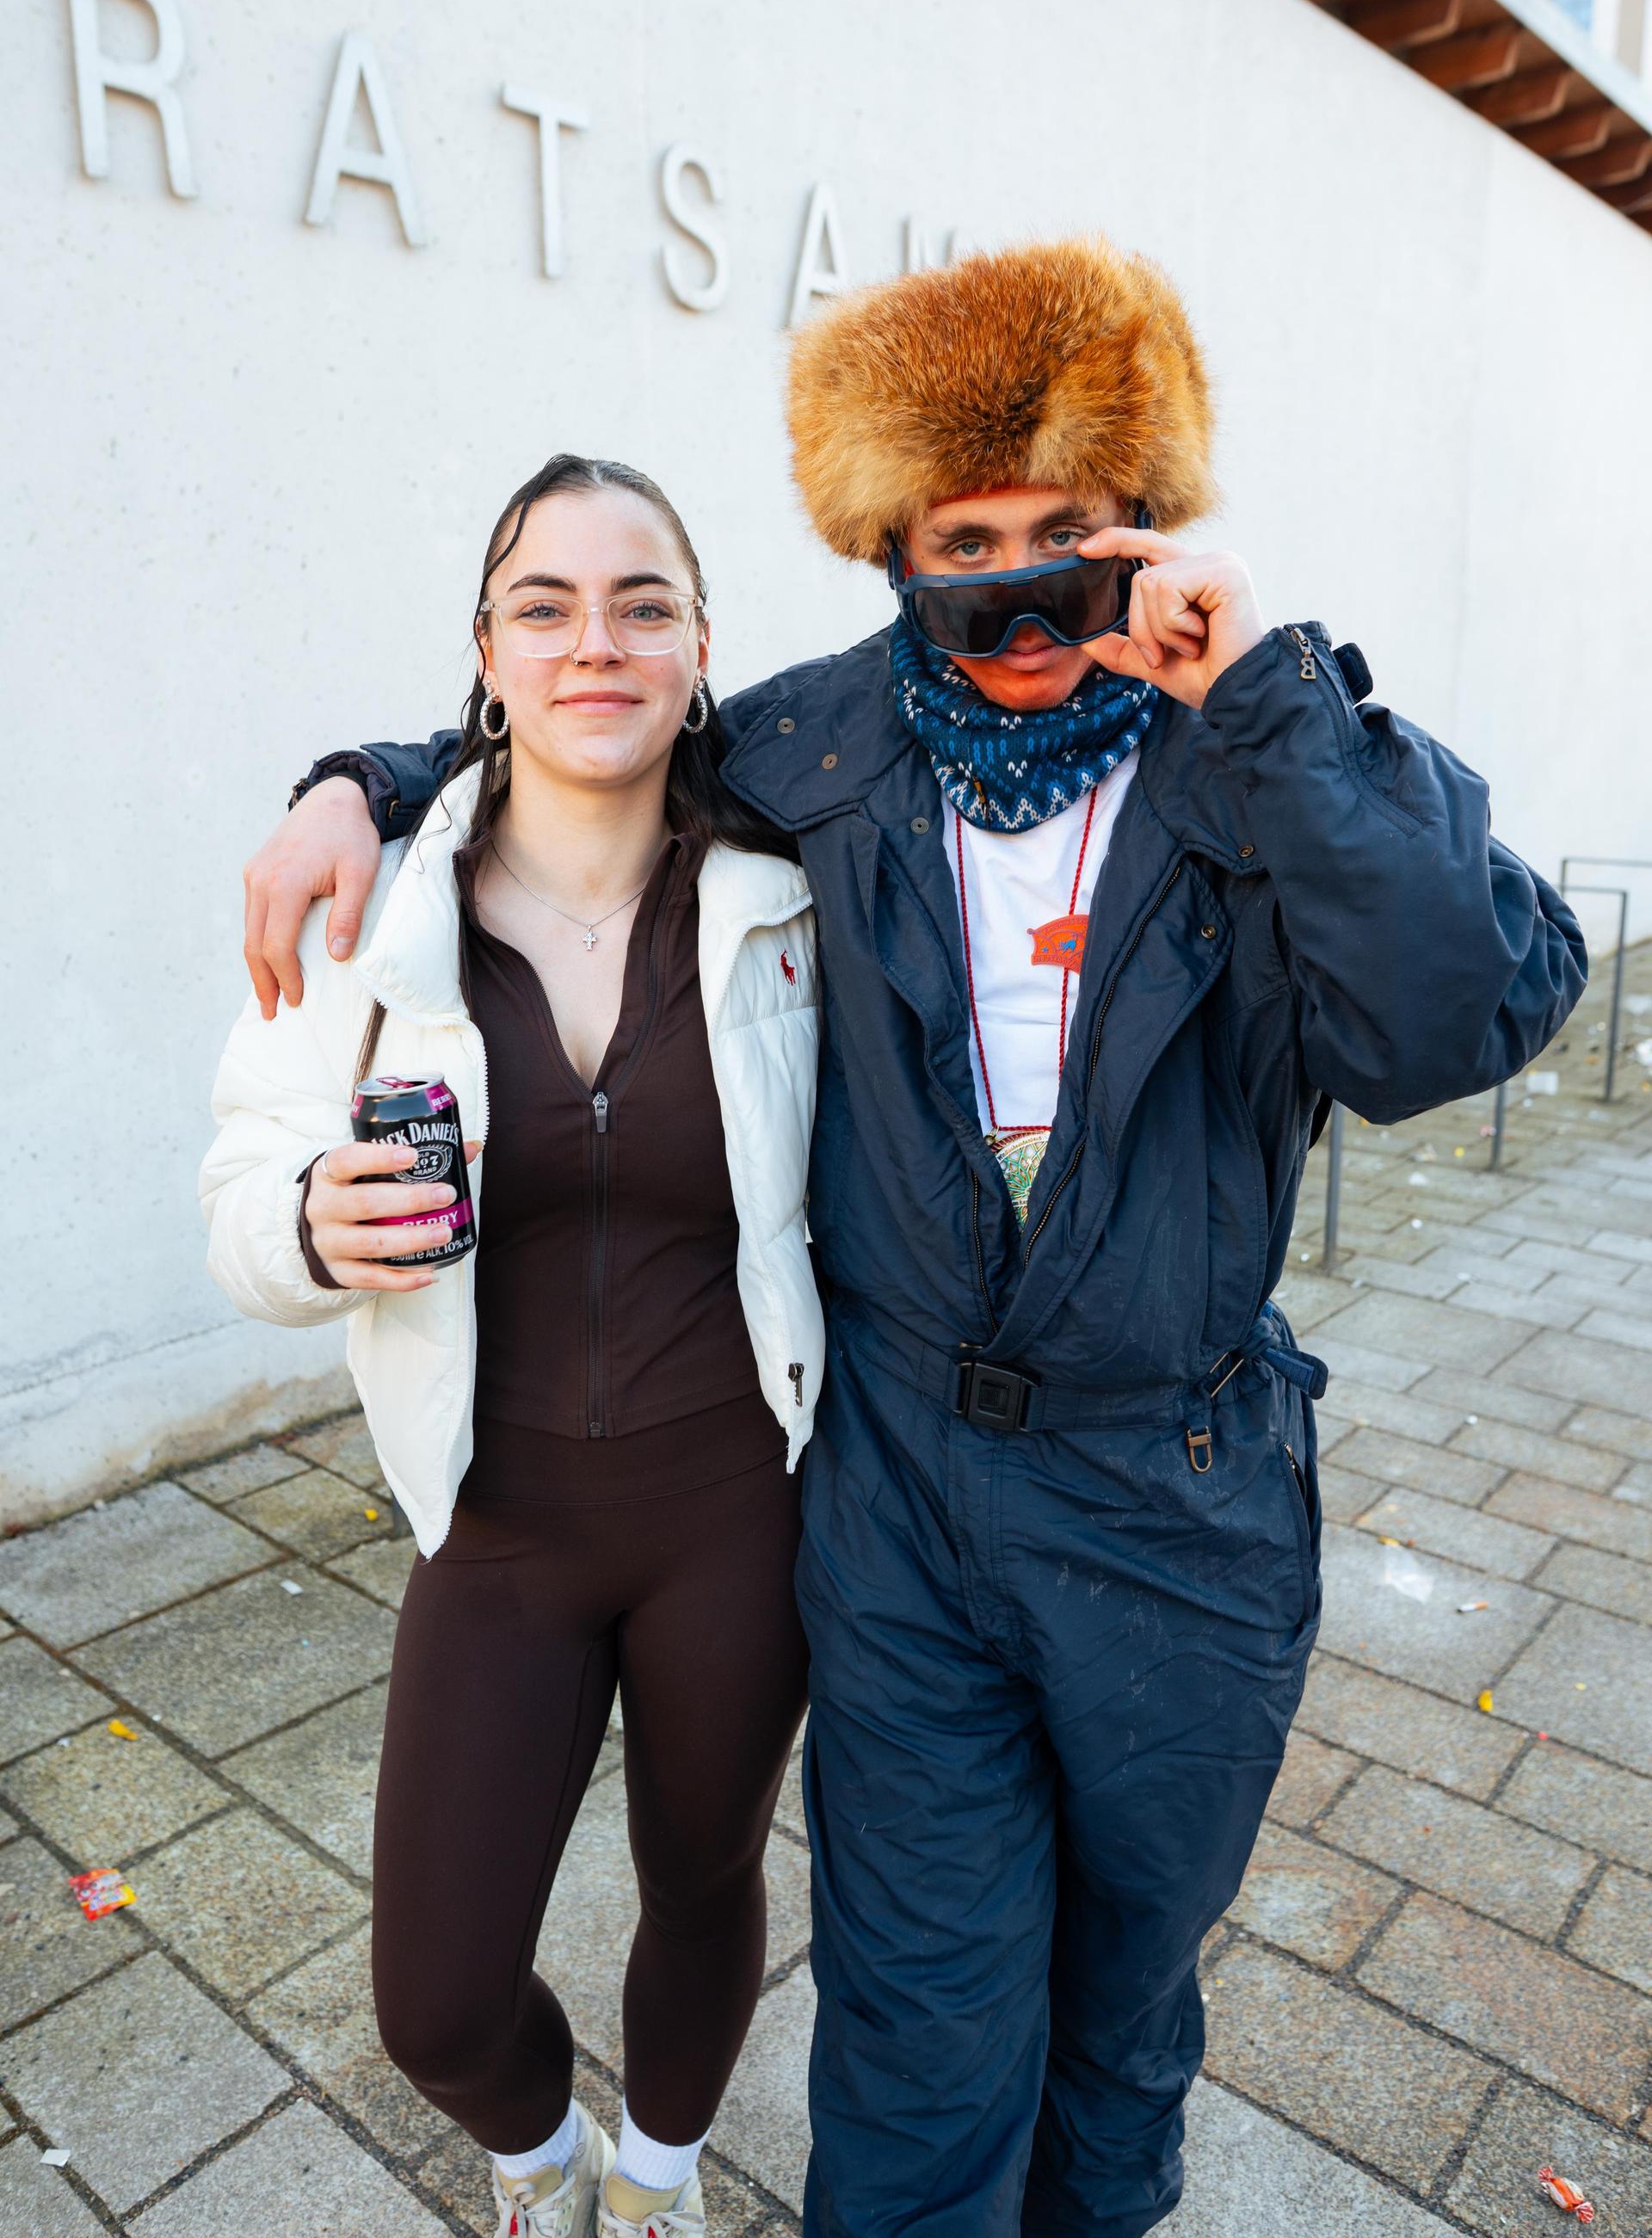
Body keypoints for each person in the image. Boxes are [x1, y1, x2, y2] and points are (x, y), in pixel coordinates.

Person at [241, 238, 1587, 2238]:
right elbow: (597, 731)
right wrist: (367, 778)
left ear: (1152, 526)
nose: (1026, 584)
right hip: (906, 1499)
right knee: (923, 2009)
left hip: (1177, 1503)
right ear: (893, 544)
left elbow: (1466, 1015)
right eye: (971, 537)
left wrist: (1277, 706)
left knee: (1121, 2007)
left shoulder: (1258, 761)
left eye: (1077, 533)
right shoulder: (824, 750)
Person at [203, 454, 824, 2238]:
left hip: (738, 1502)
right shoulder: (370, 909)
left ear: (704, 645)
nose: (594, 645)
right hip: (497, 1521)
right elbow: (243, 1180)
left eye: (643, 604)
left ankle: (656, 2178)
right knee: (439, 2000)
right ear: (484, 649)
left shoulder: (790, 888)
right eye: (544, 606)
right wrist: (307, 1223)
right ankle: (544, 2153)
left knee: (702, 1882)